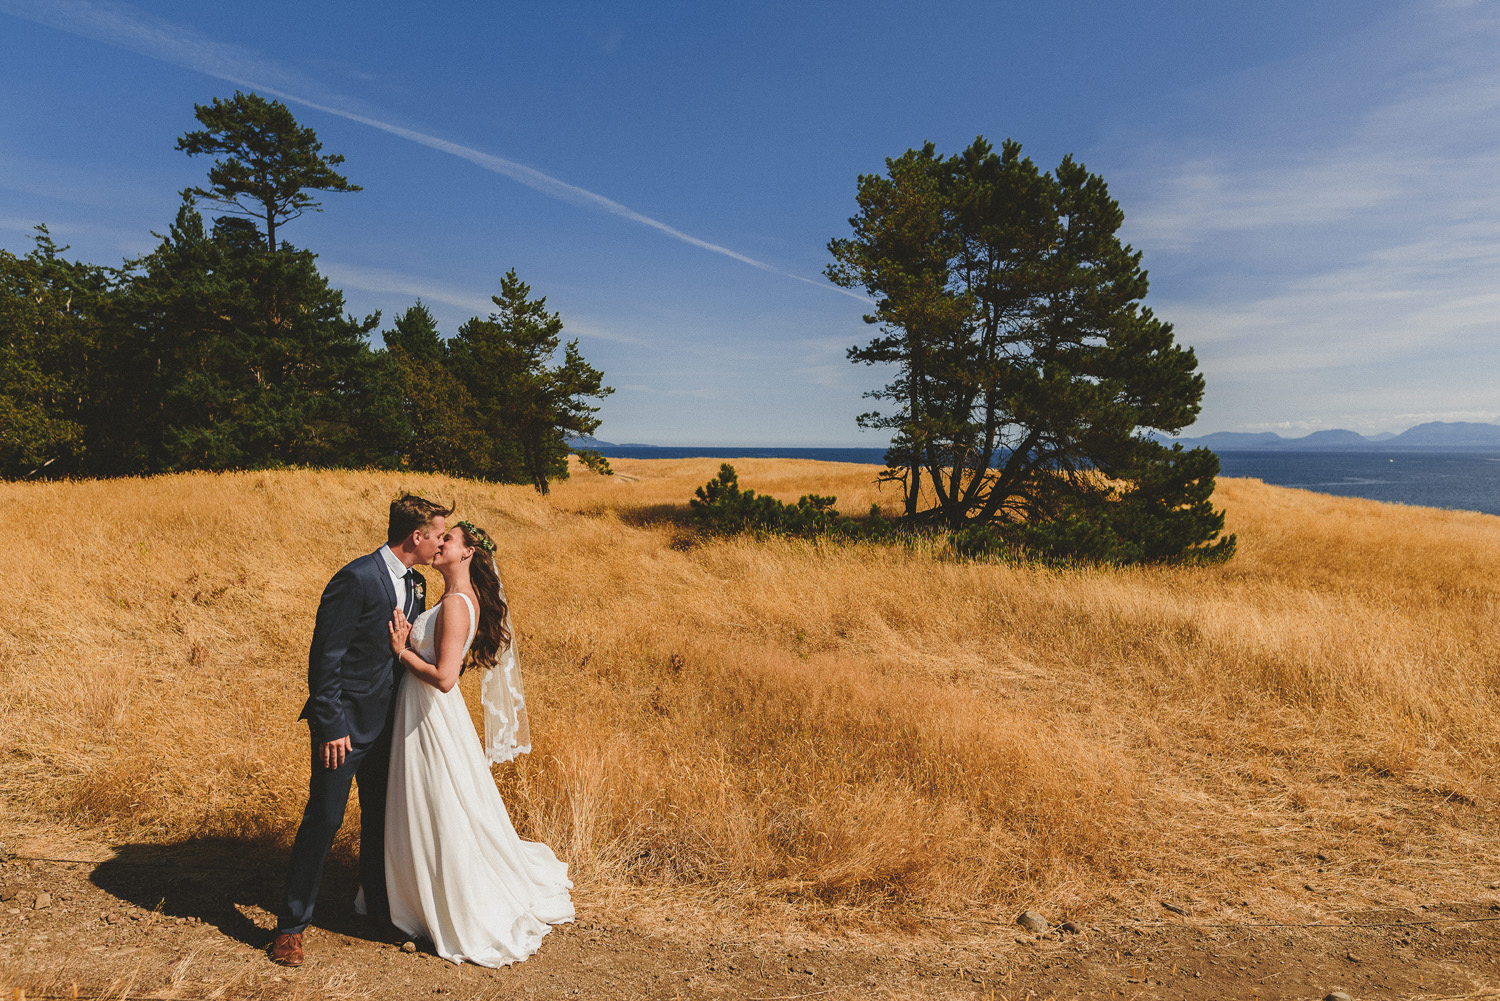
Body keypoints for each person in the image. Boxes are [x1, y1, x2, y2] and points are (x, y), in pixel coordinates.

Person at [271, 493, 452, 968]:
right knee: (324, 821)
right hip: (344, 727)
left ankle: (374, 906)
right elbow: (324, 658)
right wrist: (331, 725)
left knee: (380, 817)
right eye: (437, 534)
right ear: (417, 536)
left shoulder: (415, 583)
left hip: (389, 725)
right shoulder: (355, 578)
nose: (440, 543)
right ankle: (290, 928)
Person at [382, 519, 574, 966]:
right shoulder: (453, 599)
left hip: (430, 711)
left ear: (467, 553)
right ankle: (416, 892)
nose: (438, 542)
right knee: (433, 801)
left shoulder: (455, 604)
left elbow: (446, 679)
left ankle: (448, 902)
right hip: (423, 712)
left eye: (448, 539)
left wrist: (401, 651)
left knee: (438, 802)